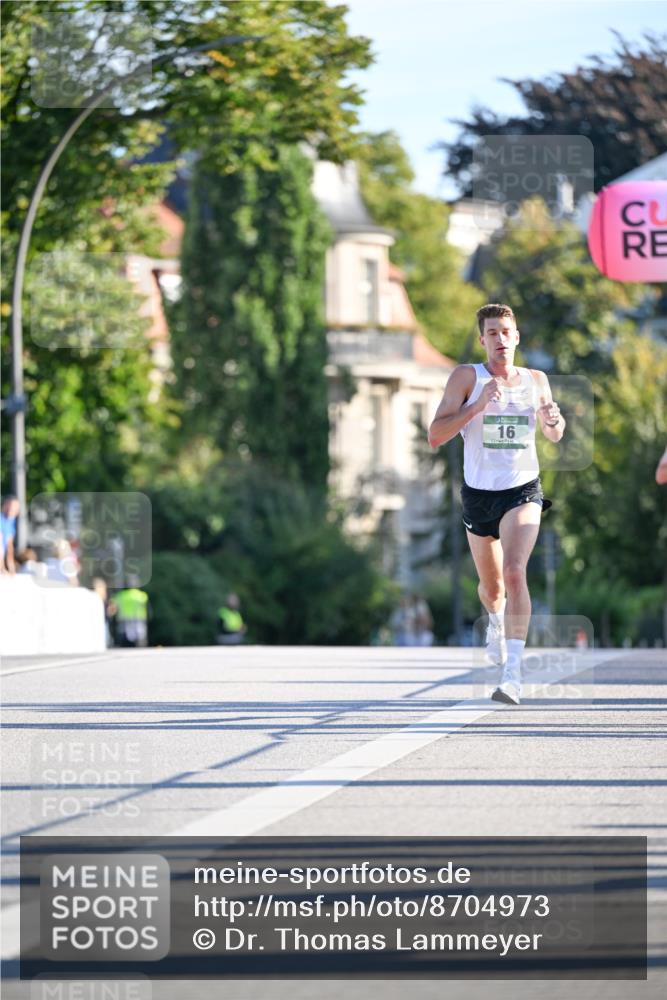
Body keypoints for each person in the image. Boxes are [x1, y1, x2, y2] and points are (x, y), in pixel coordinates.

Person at [428, 303, 565, 704]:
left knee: (515, 571)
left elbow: (554, 433)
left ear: (516, 337)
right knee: (492, 589)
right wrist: (476, 406)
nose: (500, 339)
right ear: (482, 340)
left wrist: (553, 420)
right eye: (492, 333)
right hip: (478, 495)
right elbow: (435, 435)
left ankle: (513, 675)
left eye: (506, 332)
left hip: (522, 490)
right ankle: (495, 621)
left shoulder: (536, 380)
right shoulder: (467, 377)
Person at [110, 575, 150, 647]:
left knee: (123, 635)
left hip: (123, 619)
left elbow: (112, 608)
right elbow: (148, 608)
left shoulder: (120, 596)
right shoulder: (142, 595)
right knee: (140, 635)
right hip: (139, 619)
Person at [0, 495, 20, 574]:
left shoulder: (11, 522)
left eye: (14, 508)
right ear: (4, 505)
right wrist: (2, 567)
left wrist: (11, 568)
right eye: (10, 506)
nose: (11, 509)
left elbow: (9, 547)